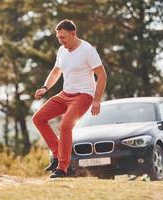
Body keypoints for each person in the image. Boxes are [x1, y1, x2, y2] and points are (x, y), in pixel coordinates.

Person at [32, 19, 107, 178]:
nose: (61, 41)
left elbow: (102, 75)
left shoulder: (87, 50)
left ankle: (62, 168)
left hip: (84, 95)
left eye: (63, 37)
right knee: (38, 118)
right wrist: (45, 87)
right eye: (59, 37)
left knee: (65, 125)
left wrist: (97, 99)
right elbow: (55, 72)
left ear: (73, 33)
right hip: (65, 94)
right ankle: (57, 154)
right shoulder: (61, 51)